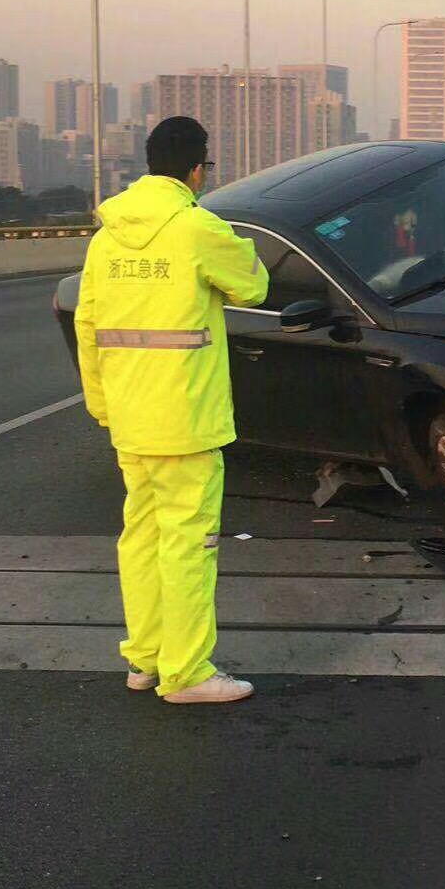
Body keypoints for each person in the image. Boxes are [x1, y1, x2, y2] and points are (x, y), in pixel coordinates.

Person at [74, 117, 269, 705]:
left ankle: (146, 658)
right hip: (185, 419)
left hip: (131, 418)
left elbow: (88, 326)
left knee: (141, 537)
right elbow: (253, 285)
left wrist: (102, 405)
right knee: (190, 544)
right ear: (197, 169)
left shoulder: (106, 237)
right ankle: (187, 674)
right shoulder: (195, 227)